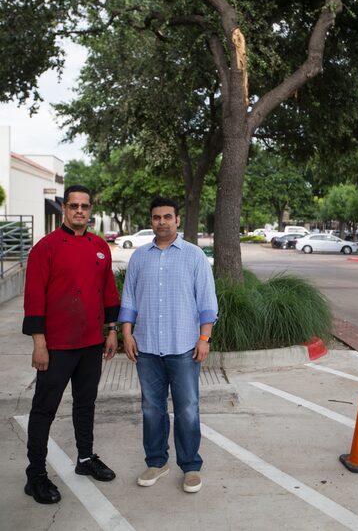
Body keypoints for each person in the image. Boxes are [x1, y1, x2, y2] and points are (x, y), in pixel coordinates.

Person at [22, 185, 120, 505]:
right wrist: (39, 343)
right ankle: (35, 473)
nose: (79, 211)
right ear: (64, 208)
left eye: (85, 206)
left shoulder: (100, 247)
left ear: (91, 210)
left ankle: (85, 458)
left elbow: (107, 292)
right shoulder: (46, 248)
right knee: (44, 408)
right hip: (57, 346)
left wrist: (112, 330)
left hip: (91, 342)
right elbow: (35, 298)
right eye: (73, 205)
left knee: (85, 404)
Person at [119, 196, 217, 494]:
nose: (161, 221)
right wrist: (126, 333)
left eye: (167, 217)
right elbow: (129, 300)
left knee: (188, 408)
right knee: (152, 408)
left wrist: (204, 339)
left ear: (177, 220)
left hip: (185, 347)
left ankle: (190, 466)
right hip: (147, 347)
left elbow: (207, 302)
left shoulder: (194, 256)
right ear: (151, 221)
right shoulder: (139, 257)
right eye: (156, 217)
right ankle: (157, 461)